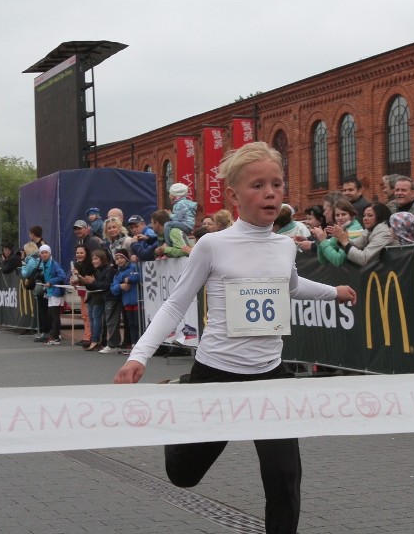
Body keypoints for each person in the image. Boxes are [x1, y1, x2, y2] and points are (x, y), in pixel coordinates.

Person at [114, 141, 356, 534]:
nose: (271, 193)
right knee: (184, 476)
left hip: (270, 375)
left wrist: (335, 292)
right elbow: (176, 304)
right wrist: (138, 356)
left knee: (284, 479)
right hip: (217, 374)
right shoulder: (213, 245)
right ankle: (180, 420)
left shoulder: (283, 246)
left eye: (277, 184)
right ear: (234, 195)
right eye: (258, 185)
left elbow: (291, 286)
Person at [75, 248, 112, 352]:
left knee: (96, 317)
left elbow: (104, 285)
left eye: (96, 259)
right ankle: (93, 339)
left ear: (102, 259)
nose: (94, 261)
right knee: (91, 317)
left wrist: (92, 282)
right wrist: (83, 280)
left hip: (100, 297)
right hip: (92, 296)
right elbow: (91, 285)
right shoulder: (96, 270)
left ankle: (96, 340)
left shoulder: (108, 269)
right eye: (93, 259)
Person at [315, 199, 364, 266]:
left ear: (351, 215)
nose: (340, 218)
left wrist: (323, 241)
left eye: (343, 214)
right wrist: (319, 241)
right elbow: (323, 261)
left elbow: (338, 260)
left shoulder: (355, 230)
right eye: (337, 215)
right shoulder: (341, 229)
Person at [110, 247, 140, 353]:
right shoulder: (117, 273)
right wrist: (120, 286)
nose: (119, 261)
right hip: (127, 302)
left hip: (137, 300)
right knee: (130, 324)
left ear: (126, 258)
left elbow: (138, 276)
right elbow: (113, 288)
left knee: (138, 323)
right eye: (117, 259)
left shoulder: (133, 267)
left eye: (121, 258)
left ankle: (140, 344)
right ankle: (133, 344)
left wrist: (129, 279)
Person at [37, 244, 66, 346]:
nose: (44, 255)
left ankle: (56, 337)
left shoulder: (54, 264)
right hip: (50, 292)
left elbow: (62, 276)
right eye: (42, 253)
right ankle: (55, 335)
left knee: (54, 315)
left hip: (56, 292)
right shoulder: (43, 264)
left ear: (50, 253)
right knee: (51, 315)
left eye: (46, 252)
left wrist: (51, 282)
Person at [69, 245, 95, 346]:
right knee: (84, 315)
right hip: (81, 292)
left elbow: (87, 280)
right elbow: (76, 280)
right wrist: (73, 281)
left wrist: (78, 275)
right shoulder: (76, 264)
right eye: (77, 253)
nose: (79, 255)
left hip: (88, 292)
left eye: (81, 253)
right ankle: (86, 335)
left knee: (88, 315)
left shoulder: (89, 265)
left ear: (86, 254)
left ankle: (90, 336)